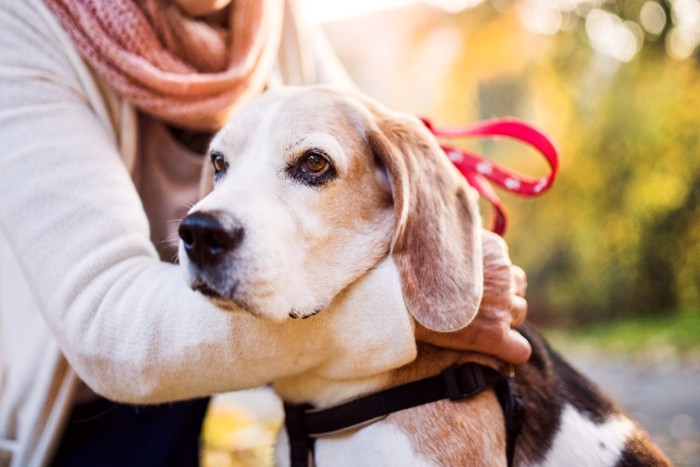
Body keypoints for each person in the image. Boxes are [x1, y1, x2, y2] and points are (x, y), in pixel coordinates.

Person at [0, 0, 530, 465]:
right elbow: (108, 328)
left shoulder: (274, 14)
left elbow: (365, 158)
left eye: (310, 165)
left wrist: (447, 259)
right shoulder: (21, 24)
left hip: (210, 356)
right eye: (221, 165)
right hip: (66, 412)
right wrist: (406, 311)